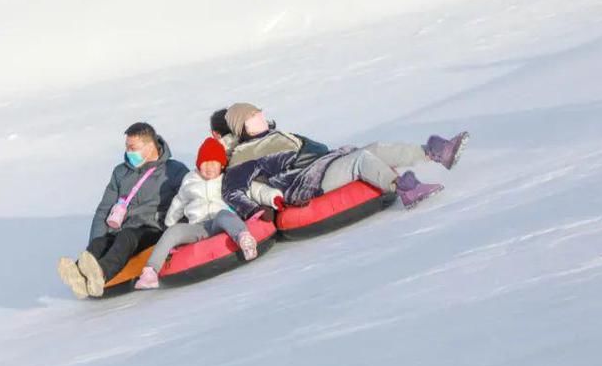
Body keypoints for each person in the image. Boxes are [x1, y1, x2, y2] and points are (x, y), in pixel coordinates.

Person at [216, 103, 469, 216]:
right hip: (307, 183)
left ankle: (435, 153)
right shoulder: (244, 155)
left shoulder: (276, 134)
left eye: (258, 111)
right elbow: (232, 190)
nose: (260, 115)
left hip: (323, 164)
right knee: (361, 159)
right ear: (243, 126)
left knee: (376, 147)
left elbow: (316, 148)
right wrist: (256, 211)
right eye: (253, 115)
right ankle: (404, 188)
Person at [58, 122, 188, 299]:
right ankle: (80, 274)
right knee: (101, 242)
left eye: (132, 147)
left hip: (153, 229)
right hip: (121, 228)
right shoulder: (121, 173)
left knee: (126, 237)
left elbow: (188, 198)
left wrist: (180, 231)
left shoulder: (173, 170)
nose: (128, 152)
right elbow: (104, 209)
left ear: (150, 146)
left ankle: (101, 274)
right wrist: (97, 242)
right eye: (127, 147)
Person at [133, 137, 279, 289]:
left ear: (222, 165)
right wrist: (170, 223)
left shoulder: (229, 178)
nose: (209, 167)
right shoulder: (190, 180)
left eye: (213, 163)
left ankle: (244, 239)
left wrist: (273, 197)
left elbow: (254, 189)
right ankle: (151, 272)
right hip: (199, 226)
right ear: (198, 164)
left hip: (221, 221)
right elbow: (178, 202)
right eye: (205, 163)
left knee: (224, 214)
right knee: (174, 231)